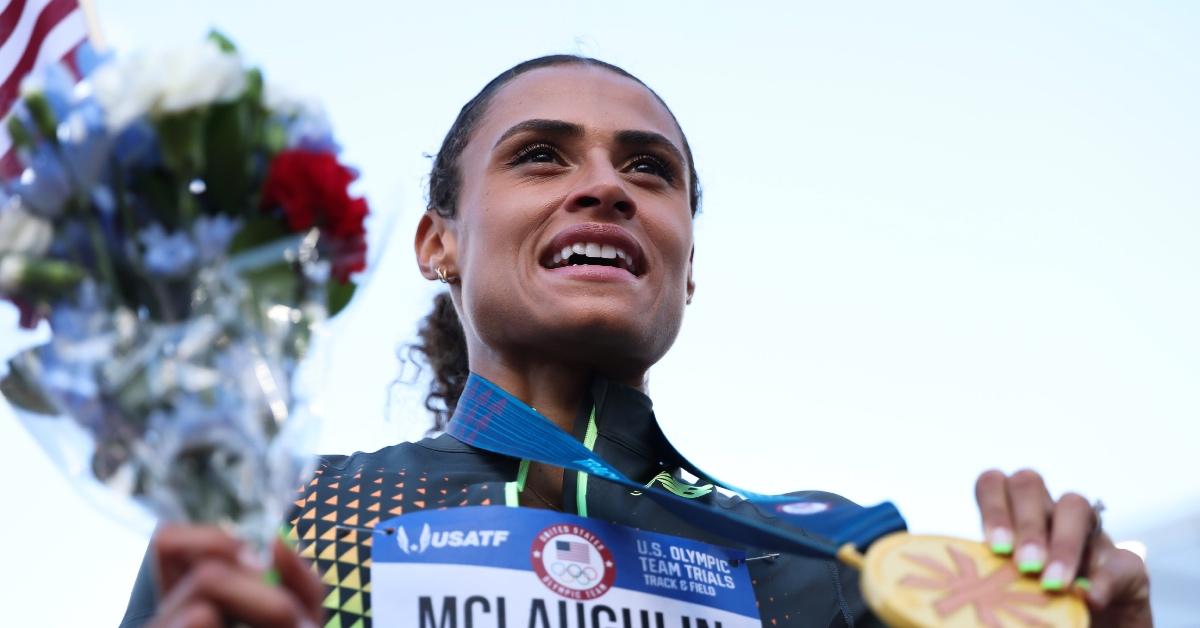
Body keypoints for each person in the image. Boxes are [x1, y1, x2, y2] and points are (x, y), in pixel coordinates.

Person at [120, 55, 1152, 628]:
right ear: (437, 243)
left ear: (686, 264)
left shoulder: (843, 557)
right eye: (539, 156)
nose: (607, 186)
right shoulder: (291, 513)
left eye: (650, 171)